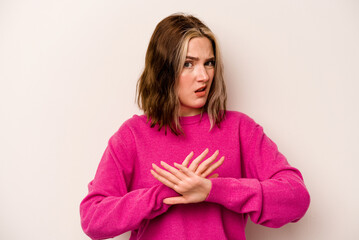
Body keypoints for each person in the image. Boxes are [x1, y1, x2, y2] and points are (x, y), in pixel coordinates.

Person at [80, 13, 310, 240]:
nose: (203, 76)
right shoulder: (133, 135)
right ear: (163, 70)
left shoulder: (240, 129)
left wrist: (213, 190)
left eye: (209, 63)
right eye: (188, 64)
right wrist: (168, 192)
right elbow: (93, 219)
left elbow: (296, 198)